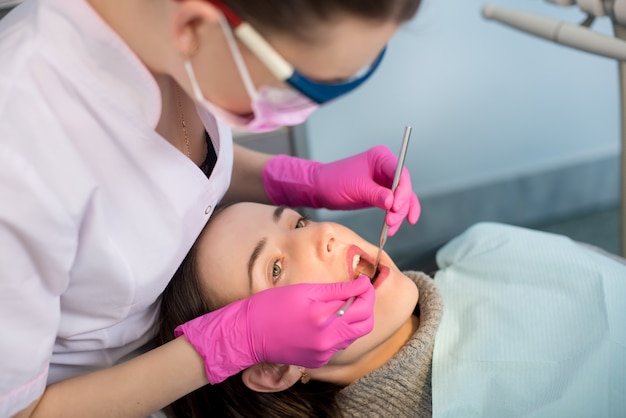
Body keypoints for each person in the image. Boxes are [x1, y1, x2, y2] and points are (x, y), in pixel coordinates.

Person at [0, 0, 423, 416]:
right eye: (304, 87)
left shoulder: (160, 38)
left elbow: (171, 173)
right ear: (195, 28)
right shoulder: (18, 154)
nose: (299, 116)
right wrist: (231, 344)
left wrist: (302, 181)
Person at [157, 202, 626, 417]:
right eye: (275, 268)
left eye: (297, 221)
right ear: (276, 369)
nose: (324, 235)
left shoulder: (492, 249)